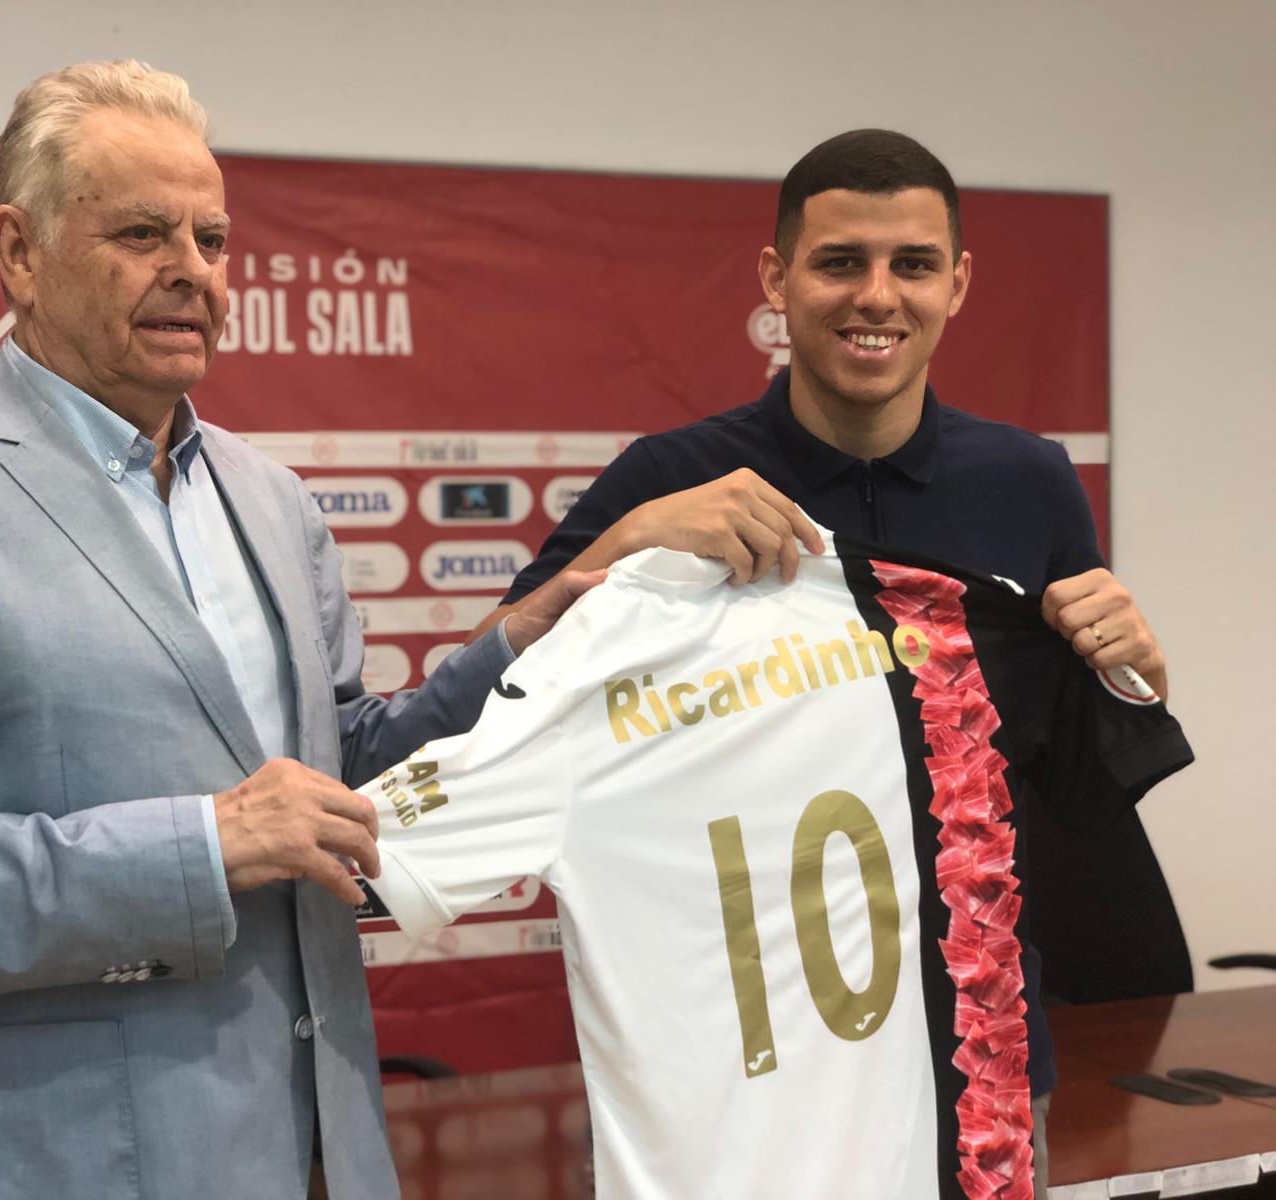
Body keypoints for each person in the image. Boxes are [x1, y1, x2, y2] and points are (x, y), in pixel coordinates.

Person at [0, 61, 588, 1200]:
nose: (190, 271)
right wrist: (200, 847)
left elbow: (328, 776)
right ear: (16, 252)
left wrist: (519, 645)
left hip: (309, 1154)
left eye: (212, 237)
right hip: (35, 1166)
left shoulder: (272, 499)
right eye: (143, 233)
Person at [481, 128, 1170, 1198]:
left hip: (976, 1073)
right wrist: (627, 544)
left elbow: (1072, 780)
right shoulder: (672, 479)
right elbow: (497, 703)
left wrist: (1131, 673)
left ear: (958, 284)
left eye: (913, 264)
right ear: (776, 278)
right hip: (738, 1083)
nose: (876, 297)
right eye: (840, 261)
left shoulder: (1029, 483)